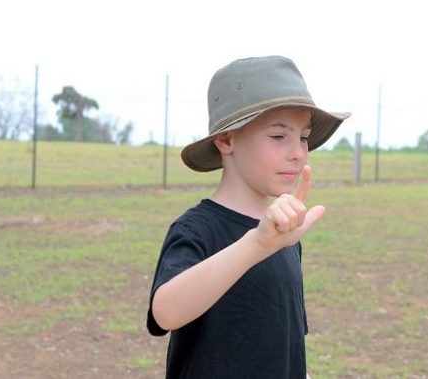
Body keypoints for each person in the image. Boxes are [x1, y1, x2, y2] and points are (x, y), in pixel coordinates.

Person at [146, 55, 349, 378]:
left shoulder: (285, 233)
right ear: (226, 139)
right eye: (279, 136)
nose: (297, 151)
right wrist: (257, 243)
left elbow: (285, 343)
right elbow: (165, 313)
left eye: (304, 136)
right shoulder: (198, 228)